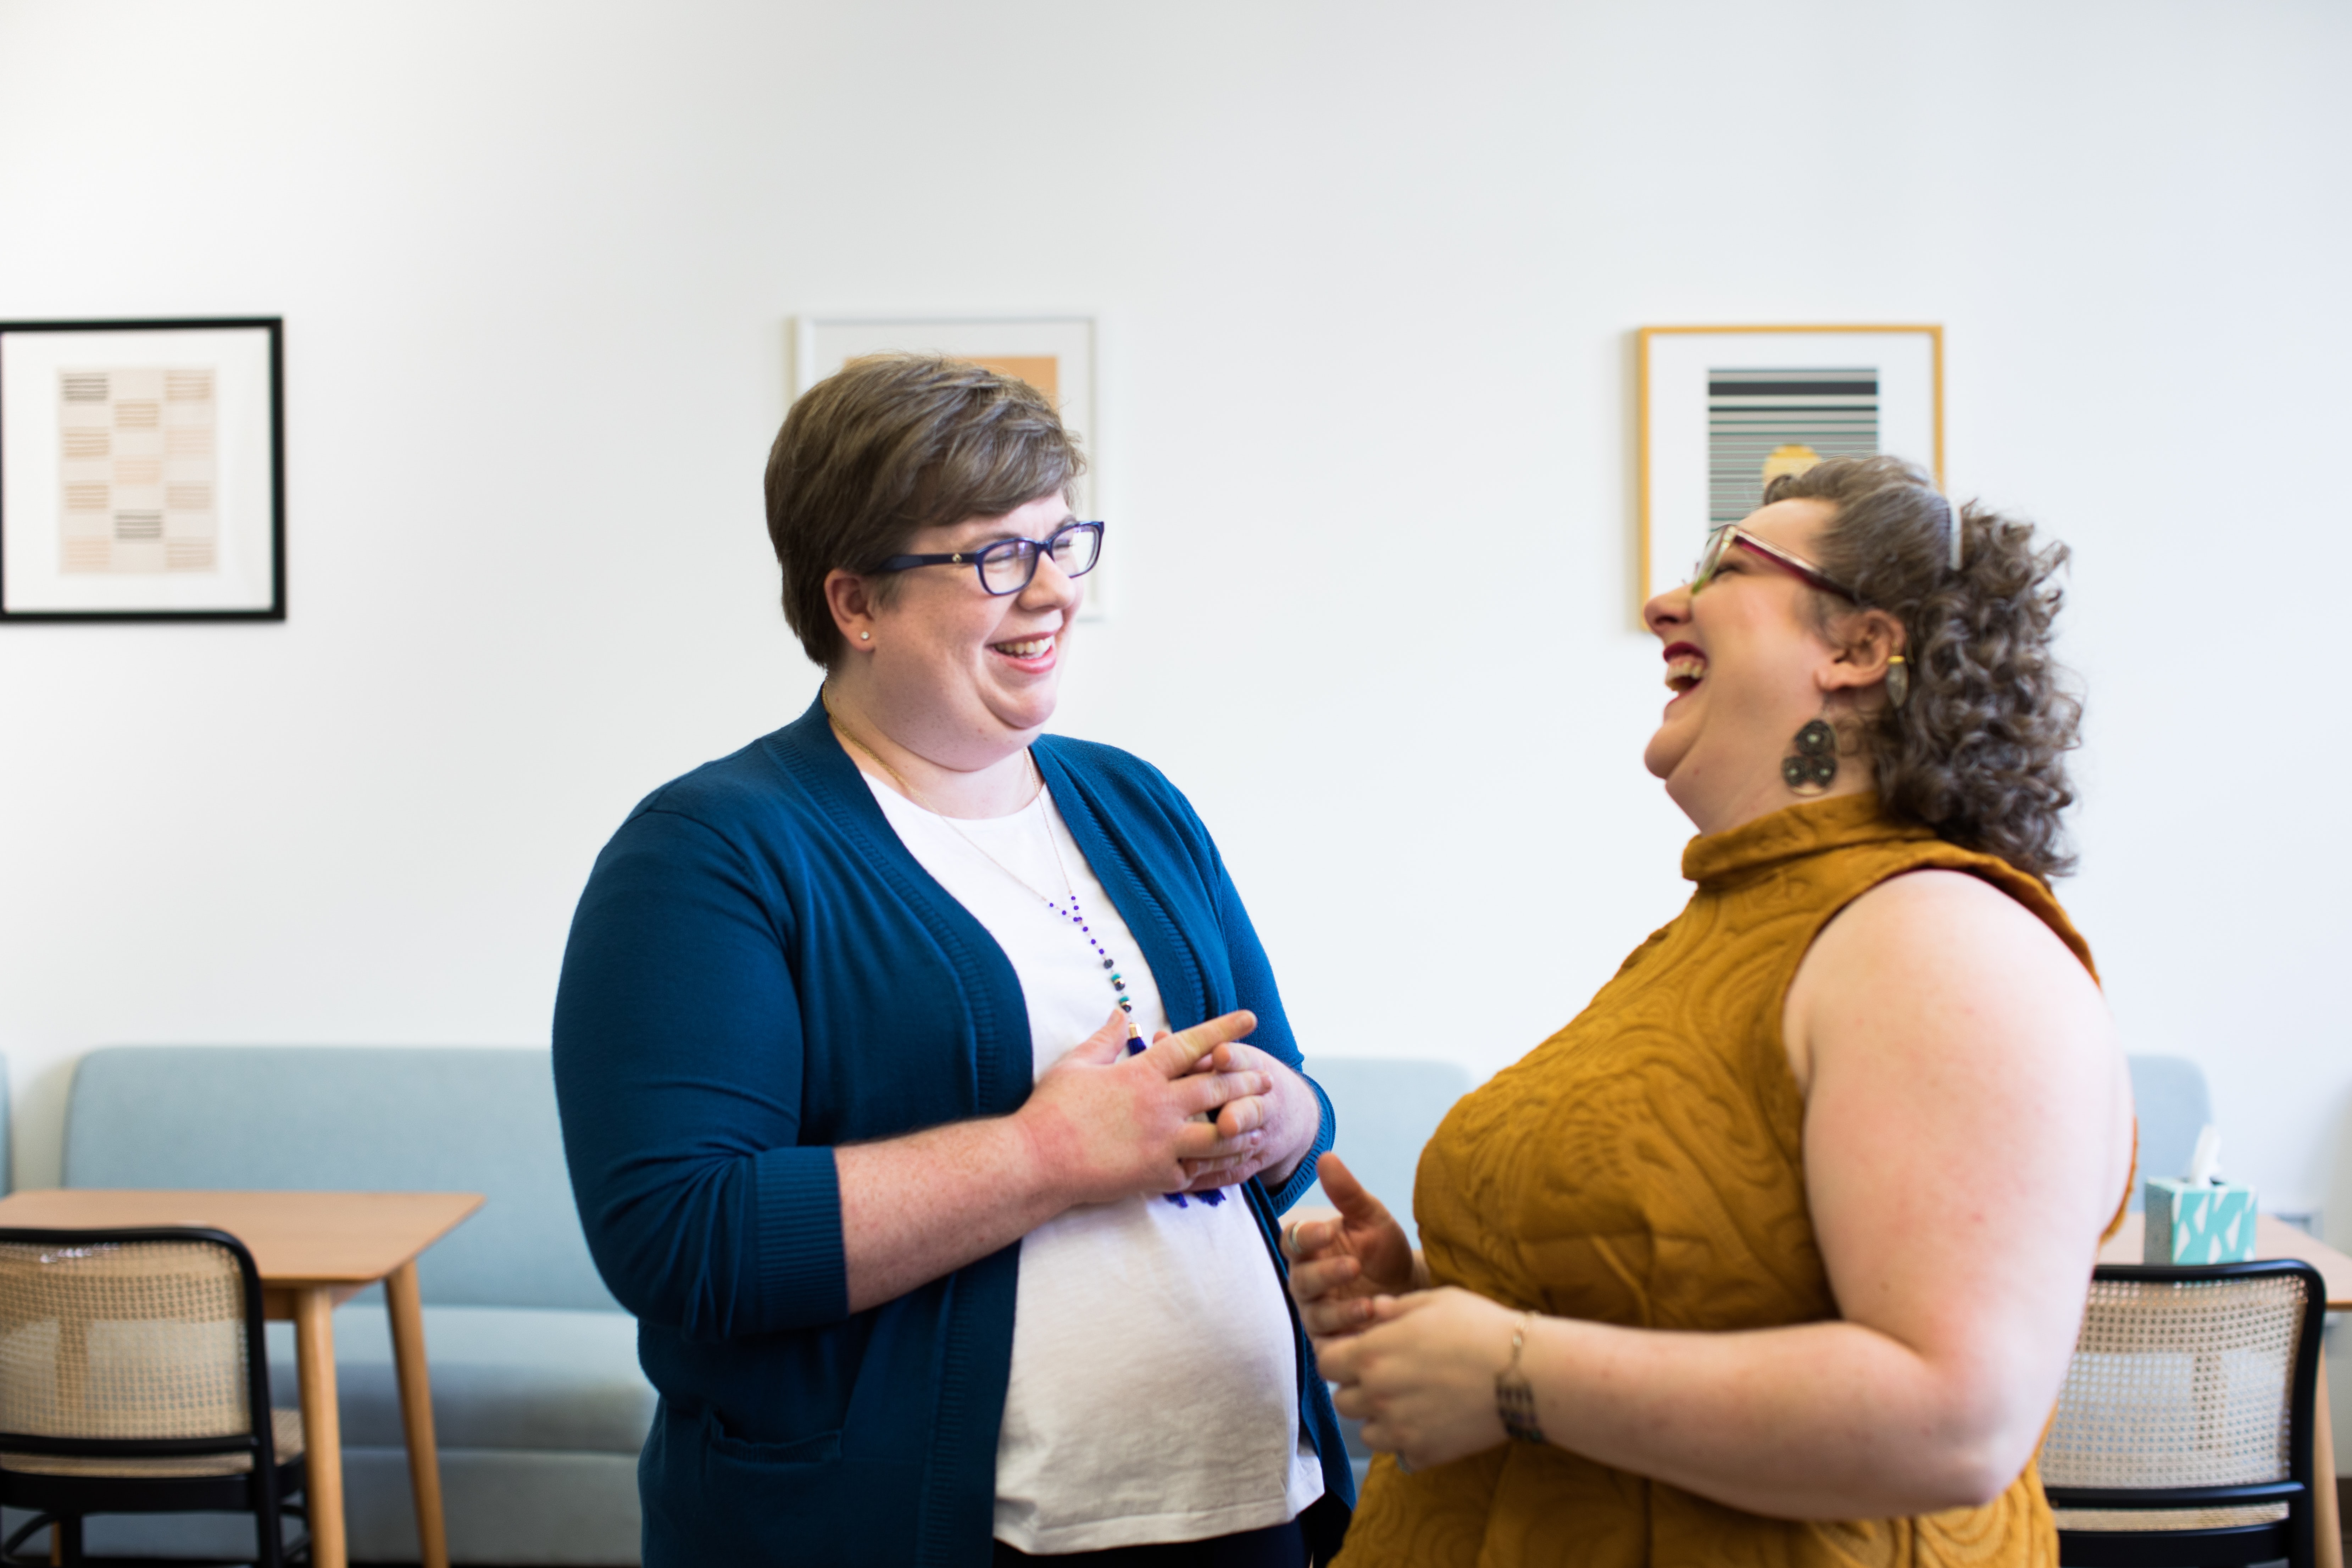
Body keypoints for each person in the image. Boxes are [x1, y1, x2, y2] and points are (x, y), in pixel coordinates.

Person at [552, 354, 1353, 1568]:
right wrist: (1046, 1154)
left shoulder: (1136, 802)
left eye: (1060, 542)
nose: (1049, 595)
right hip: (925, 1532)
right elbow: (680, 1236)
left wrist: (1276, 1118)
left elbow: (1289, 1103)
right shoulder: (712, 853)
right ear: (855, 604)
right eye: (993, 557)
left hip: (1238, 1506)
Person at [1290, 455, 2134, 1566]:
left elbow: (1958, 1417)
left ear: (1857, 650)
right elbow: (1684, 1289)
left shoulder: (1940, 937)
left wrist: (1508, 1371)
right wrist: (1421, 1309)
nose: (1661, 602)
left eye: (1725, 566)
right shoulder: (1724, 932)